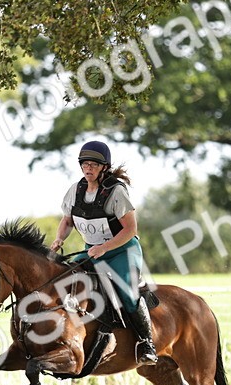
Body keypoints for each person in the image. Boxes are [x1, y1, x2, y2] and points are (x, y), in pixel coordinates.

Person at [49, 140, 159, 364]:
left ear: (104, 168)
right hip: (93, 251)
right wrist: (60, 238)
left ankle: (147, 343)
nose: (88, 169)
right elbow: (67, 220)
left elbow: (131, 229)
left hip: (122, 250)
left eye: (93, 165)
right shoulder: (76, 190)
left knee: (128, 292)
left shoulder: (115, 192)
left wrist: (105, 248)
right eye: (84, 164)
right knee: (64, 278)